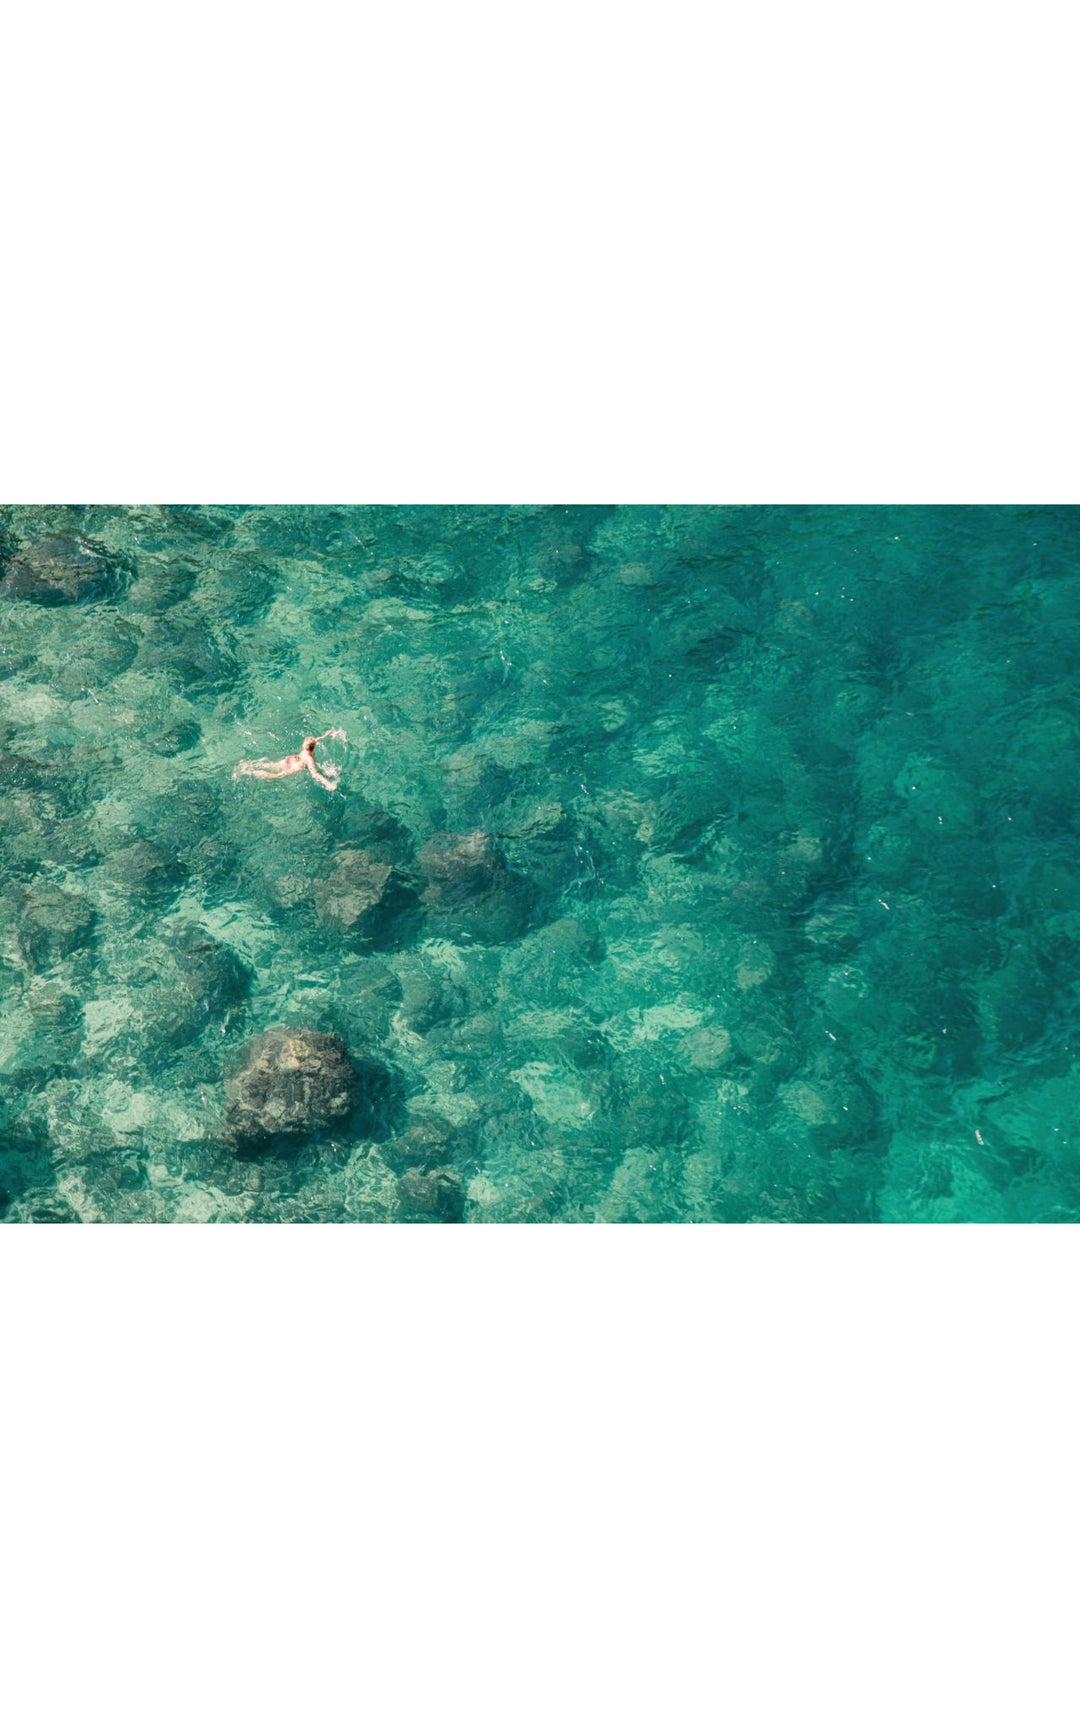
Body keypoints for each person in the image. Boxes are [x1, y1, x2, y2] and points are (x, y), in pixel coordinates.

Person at [234, 731, 341, 790]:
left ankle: (247, 765)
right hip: (293, 766)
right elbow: (315, 774)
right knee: (276, 775)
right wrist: (328, 783)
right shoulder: (310, 756)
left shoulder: (306, 753)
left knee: (270, 765)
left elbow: (316, 774)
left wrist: (327, 782)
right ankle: (249, 772)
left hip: (290, 761)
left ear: (305, 745)